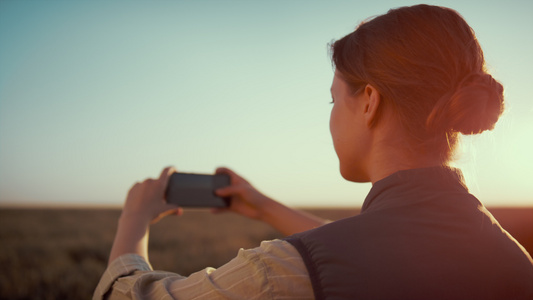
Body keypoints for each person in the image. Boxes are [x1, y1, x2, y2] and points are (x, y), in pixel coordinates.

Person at [93, 4, 533, 300]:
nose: (330, 118)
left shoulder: (279, 271)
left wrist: (135, 218)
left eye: (333, 100)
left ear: (368, 102)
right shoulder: (513, 259)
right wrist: (263, 206)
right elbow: (376, 252)